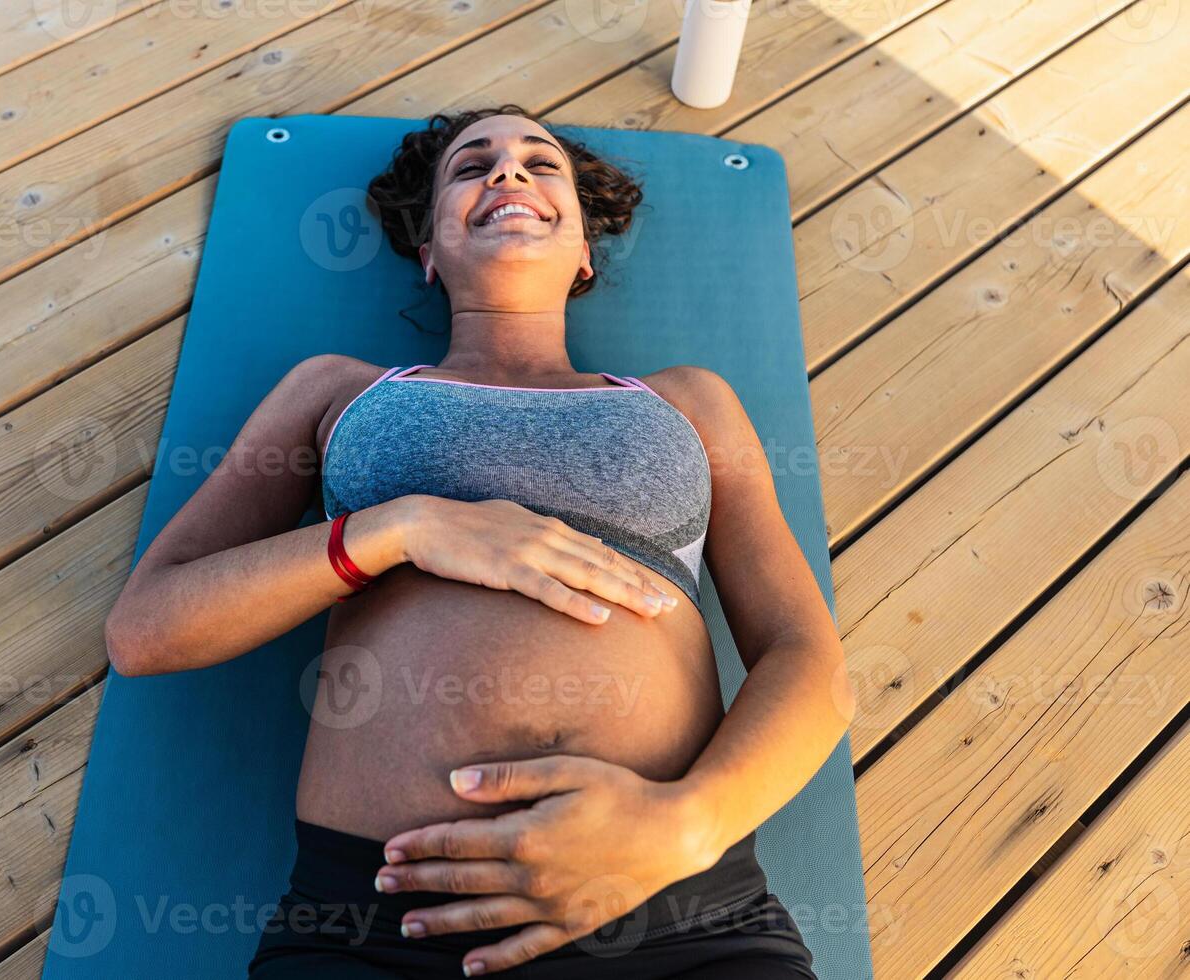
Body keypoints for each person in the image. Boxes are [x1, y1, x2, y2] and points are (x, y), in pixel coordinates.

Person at [103, 104, 853, 978]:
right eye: (472, 167)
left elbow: (805, 655)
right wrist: (400, 528)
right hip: (382, 922)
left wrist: (689, 823)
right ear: (428, 251)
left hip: (676, 908)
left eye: (542, 165)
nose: (508, 174)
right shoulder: (335, 390)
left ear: (582, 252)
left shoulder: (688, 401)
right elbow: (145, 631)